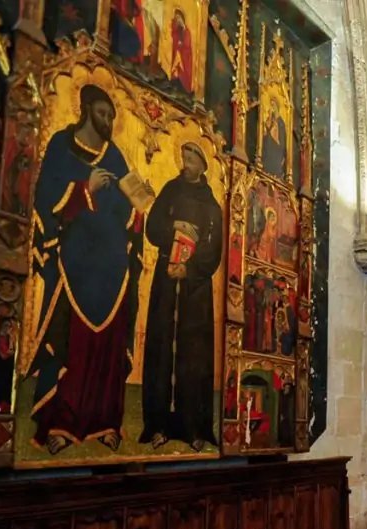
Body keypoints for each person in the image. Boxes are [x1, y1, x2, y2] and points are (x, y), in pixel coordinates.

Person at [28, 84, 144, 454]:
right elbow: (45, 198)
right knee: (71, 341)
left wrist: (140, 205)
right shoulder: (62, 146)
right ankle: (60, 423)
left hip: (112, 266)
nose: (108, 121)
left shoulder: (117, 158)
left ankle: (105, 422)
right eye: (102, 113)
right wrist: (84, 189)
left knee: (109, 344)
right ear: (85, 110)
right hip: (75, 262)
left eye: (112, 116)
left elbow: (129, 208)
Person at [139, 142, 222, 452]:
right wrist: (172, 226)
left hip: (194, 287)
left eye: (191, 159)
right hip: (165, 276)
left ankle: (193, 427)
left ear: (202, 165)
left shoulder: (211, 204)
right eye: (184, 158)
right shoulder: (170, 190)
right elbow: (153, 227)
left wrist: (189, 269)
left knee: (193, 353)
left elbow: (214, 247)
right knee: (162, 344)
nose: (186, 164)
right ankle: (158, 425)